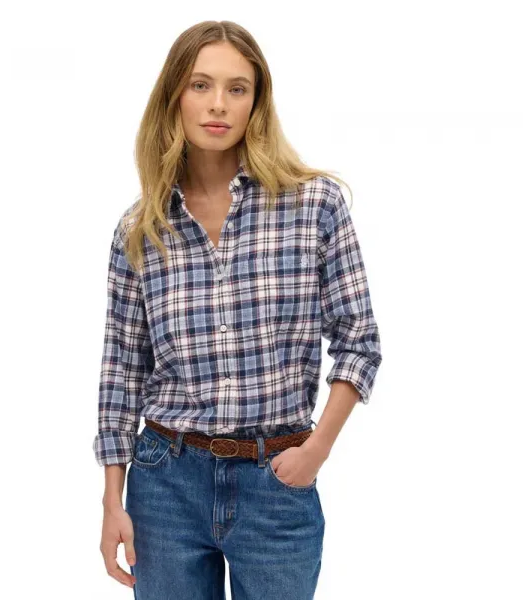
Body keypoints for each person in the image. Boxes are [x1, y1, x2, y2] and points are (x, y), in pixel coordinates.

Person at [93, 20, 382, 600]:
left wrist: (316, 451)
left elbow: (359, 342)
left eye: (237, 88)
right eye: (200, 85)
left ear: (257, 101)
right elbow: (122, 369)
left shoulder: (314, 205)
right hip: (165, 483)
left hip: (277, 480)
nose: (218, 104)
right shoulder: (140, 228)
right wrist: (111, 500)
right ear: (174, 96)